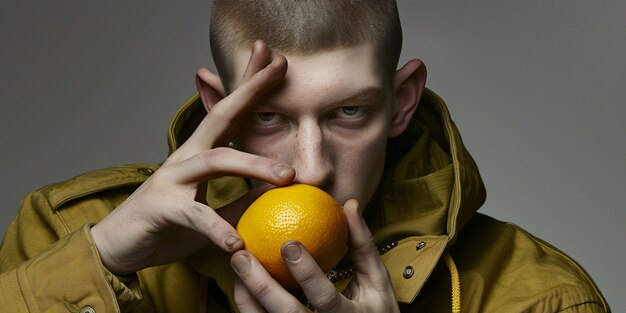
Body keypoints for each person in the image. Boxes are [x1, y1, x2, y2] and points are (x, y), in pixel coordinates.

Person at [0, 1, 610, 312]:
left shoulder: (537, 297)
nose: (312, 167)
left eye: (350, 112)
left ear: (402, 103)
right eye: (269, 116)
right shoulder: (69, 236)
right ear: (221, 104)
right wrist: (99, 263)